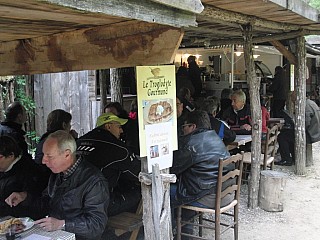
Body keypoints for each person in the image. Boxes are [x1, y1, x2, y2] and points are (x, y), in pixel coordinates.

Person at [5, 130, 109, 240]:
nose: (44, 161)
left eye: (49, 156)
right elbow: (45, 204)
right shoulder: (58, 173)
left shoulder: (94, 181)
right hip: (55, 234)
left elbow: (96, 225)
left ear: (67, 154)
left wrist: (62, 224)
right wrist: (25, 197)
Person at [76, 113, 141, 216]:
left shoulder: (79, 141)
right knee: (141, 192)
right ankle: (130, 230)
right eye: (119, 127)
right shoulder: (119, 149)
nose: (121, 131)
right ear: (108, 126)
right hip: (99, 203)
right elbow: (138, 174)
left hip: (74, 200)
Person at [0, 136, 45, 218]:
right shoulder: (5, 169)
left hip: (24, 222)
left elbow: (37, 205)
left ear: (11, 155)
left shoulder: (29, 172)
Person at [276, 92, 320, 166]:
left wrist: (294, 127)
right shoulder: (310, 103)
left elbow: (305, 123)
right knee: (287, 134)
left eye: (293, 100)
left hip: (309, 134)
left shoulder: (305, 106)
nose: (293, 102)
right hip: (313, 131)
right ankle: (292, 157)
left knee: (282, 137)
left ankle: (286, 159)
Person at [34, 109, 78, 182]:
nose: (70, 127)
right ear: (64, 125)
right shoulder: (58, 142)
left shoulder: (45, 139)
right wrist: (74, 140)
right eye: (69, 124)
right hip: (48, 180)